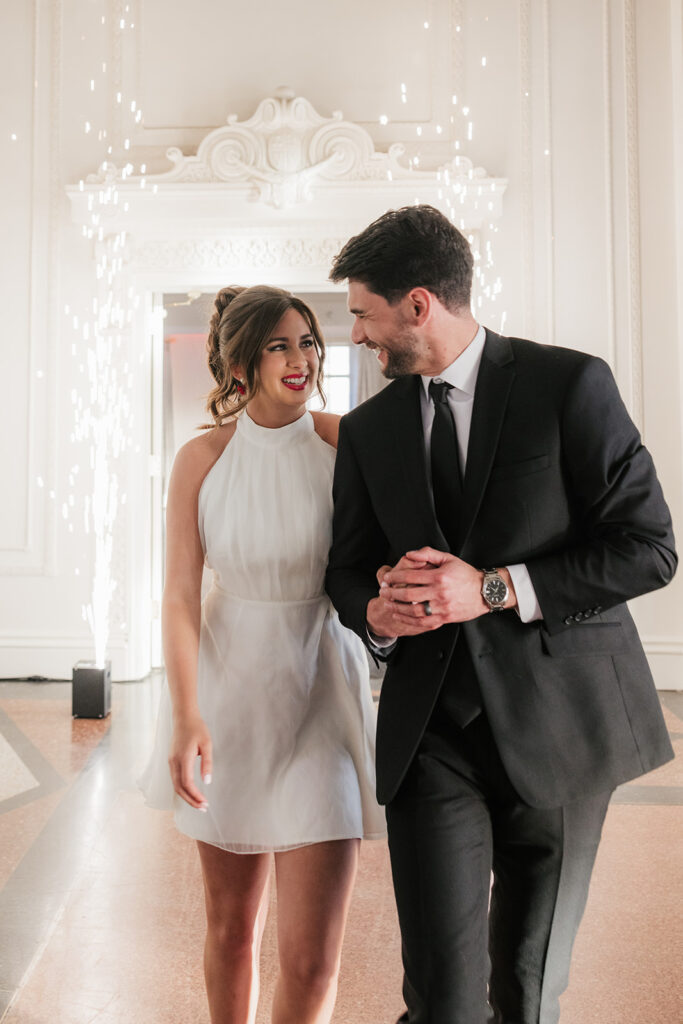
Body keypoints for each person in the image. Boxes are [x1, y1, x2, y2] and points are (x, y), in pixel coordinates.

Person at [325, 205, 676, 1024]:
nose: (357, 338)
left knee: (527, 989)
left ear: (418, 304)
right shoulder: (369, 430)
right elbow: (344, 571)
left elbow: (648, 548)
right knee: (442, 1001)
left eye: (362, 315)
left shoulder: (569, 384)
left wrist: (489, 588)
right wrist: (376, 612)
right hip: (431, 736)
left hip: (562, 728)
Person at [139, 284, 385, 1024]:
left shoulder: (348, 444)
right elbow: (180, 597)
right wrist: (187, 716)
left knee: (311, 958)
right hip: (229, 695)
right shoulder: (201, 459)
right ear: (240, 362)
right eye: (279, 344)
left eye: (308, 341)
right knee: (231, 929)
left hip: (322, 691)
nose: (301, 357)